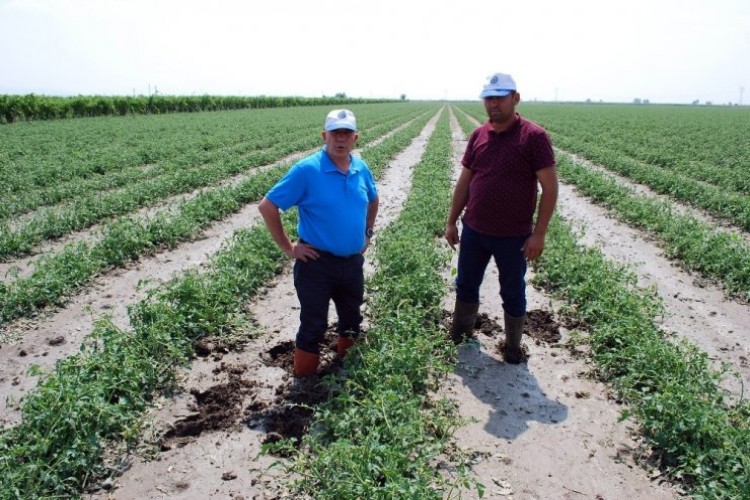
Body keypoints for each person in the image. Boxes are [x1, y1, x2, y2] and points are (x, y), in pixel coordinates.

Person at [445, 73, 558, 364]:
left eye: (500, 97)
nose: (493, 104)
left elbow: (550, 187)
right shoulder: (478, 135)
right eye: (489, 98)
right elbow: (465, 181)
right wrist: (452, 220)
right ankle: (460, 335)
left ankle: (512, 347)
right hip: (475, 230)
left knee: (512, 290)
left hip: (514, 236)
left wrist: (539, 233)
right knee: (466, 284)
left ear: (515, 98)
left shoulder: (534, 137)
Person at [258, 109, 379, 376]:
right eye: (335, 133)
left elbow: (373, 198)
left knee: (351, 321)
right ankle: (304, 385)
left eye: (346, 133)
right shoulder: (307, 170)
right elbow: (268, 206)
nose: (340, 138)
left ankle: (346, 373)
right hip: (316, 264)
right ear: (325, 136)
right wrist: (289, 247)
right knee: (313, 325)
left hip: (351, 263)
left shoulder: (361, 168)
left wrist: (367, 233)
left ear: (355, 138)